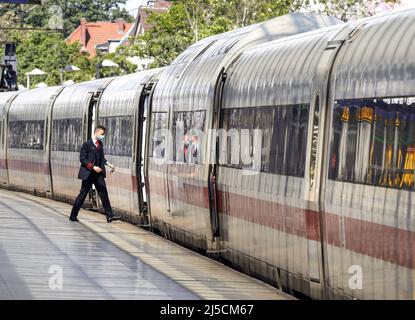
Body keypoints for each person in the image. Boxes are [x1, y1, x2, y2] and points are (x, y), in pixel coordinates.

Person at [69, 125, 120, 223]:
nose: (103, 136)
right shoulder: (86, 144)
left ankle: (110, 216)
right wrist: (92, 167)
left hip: (98, 174)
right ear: (96, 133)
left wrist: (109, 164)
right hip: (88, 174)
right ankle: (73, 215)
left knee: (103, 193)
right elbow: (82, 159)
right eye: (102, 134)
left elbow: (101, 158)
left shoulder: (100, 144)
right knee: (82, 194)